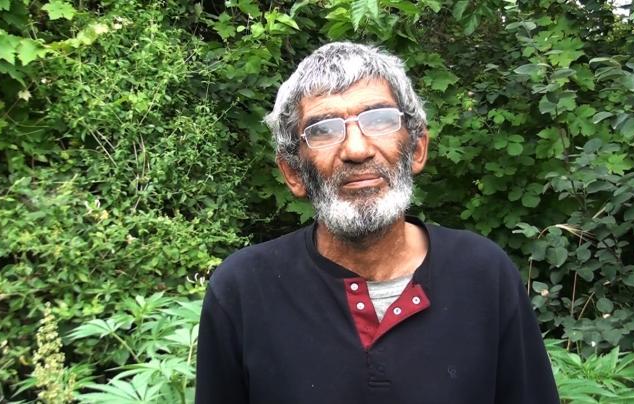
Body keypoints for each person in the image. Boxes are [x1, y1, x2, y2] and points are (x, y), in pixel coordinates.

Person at [195, 42, 559, 404]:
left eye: (379, 120)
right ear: (293, 172)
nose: (357, 150)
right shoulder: (243, 290)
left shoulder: (484, 274)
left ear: (417, 148)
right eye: (323, 130)